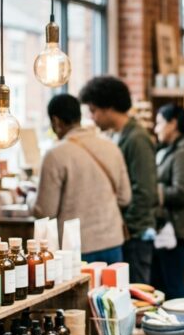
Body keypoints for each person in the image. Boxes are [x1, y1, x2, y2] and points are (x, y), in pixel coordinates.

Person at [33, 94, 132, 264]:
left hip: (77, 247)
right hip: (113, 242)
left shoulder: (55, 155)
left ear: (56, 121)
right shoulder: (111, 147)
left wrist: (30, 200)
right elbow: (125, 198)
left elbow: (45, 211)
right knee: (114, 283)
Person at [79, 76, 157, 283]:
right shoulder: (118, 136)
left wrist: (126, 226)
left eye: (94, 110)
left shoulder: (137, 139)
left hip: (135, 234)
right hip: (126, 232)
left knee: (135, 293)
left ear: (109, 108)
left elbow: (145, 191)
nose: (92, 117)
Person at [151, 103, 184, 299]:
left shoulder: (183, 154)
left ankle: (183, 318)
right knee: (166, 284)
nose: (156, 129)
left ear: (173, 124)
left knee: (173, 286)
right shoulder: (173, 151)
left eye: (159, 123)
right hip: (172, 227)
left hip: (178, 228)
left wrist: (154, 190)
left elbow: (182, 192)